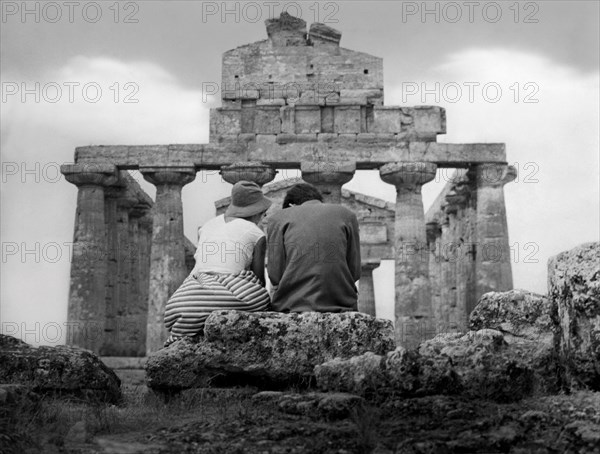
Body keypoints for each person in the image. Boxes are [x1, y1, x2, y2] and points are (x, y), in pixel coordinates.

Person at [163, 181, 272, 346]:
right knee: (262, 298)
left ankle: (182, 334)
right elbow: (259, 280)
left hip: (184, 301)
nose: (263, 219)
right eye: (263, 214)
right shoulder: (256, 233)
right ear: (257, 212)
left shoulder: (207, 227)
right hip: (228, 295)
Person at [266, 182, 361, 312]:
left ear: (291, 206)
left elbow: (275, 275)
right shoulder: (347, 215)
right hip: (342, 303)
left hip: (293, 305)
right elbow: (354, 271)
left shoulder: (277, 219)